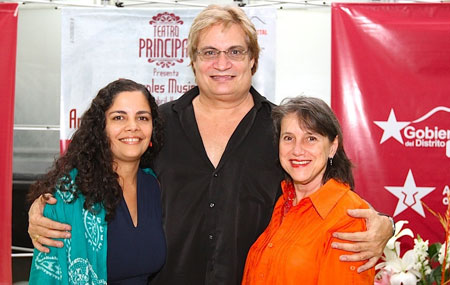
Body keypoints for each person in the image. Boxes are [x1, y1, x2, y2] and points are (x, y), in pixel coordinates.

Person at [28, 5, 393, 285]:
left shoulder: (282, 130)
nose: (222, 64)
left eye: (235, 52)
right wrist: (45, 208)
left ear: (253, 60)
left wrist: (384, 225)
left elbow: (326, 196)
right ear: (193, 61)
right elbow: (97, 168)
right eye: (209, 52)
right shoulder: (157, 125)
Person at [27, 79, 166, 284]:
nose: (133, 127)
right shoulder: (70, 194)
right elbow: (48, 277)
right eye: (119, 117)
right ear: (101, 128)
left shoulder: (152, 186)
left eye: (142, 118)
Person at [242, 96, 375, 284]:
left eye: (310, 138)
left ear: (332, 147)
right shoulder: (281, 202)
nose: (297, 150)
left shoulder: (349, 216)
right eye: (288, 138)